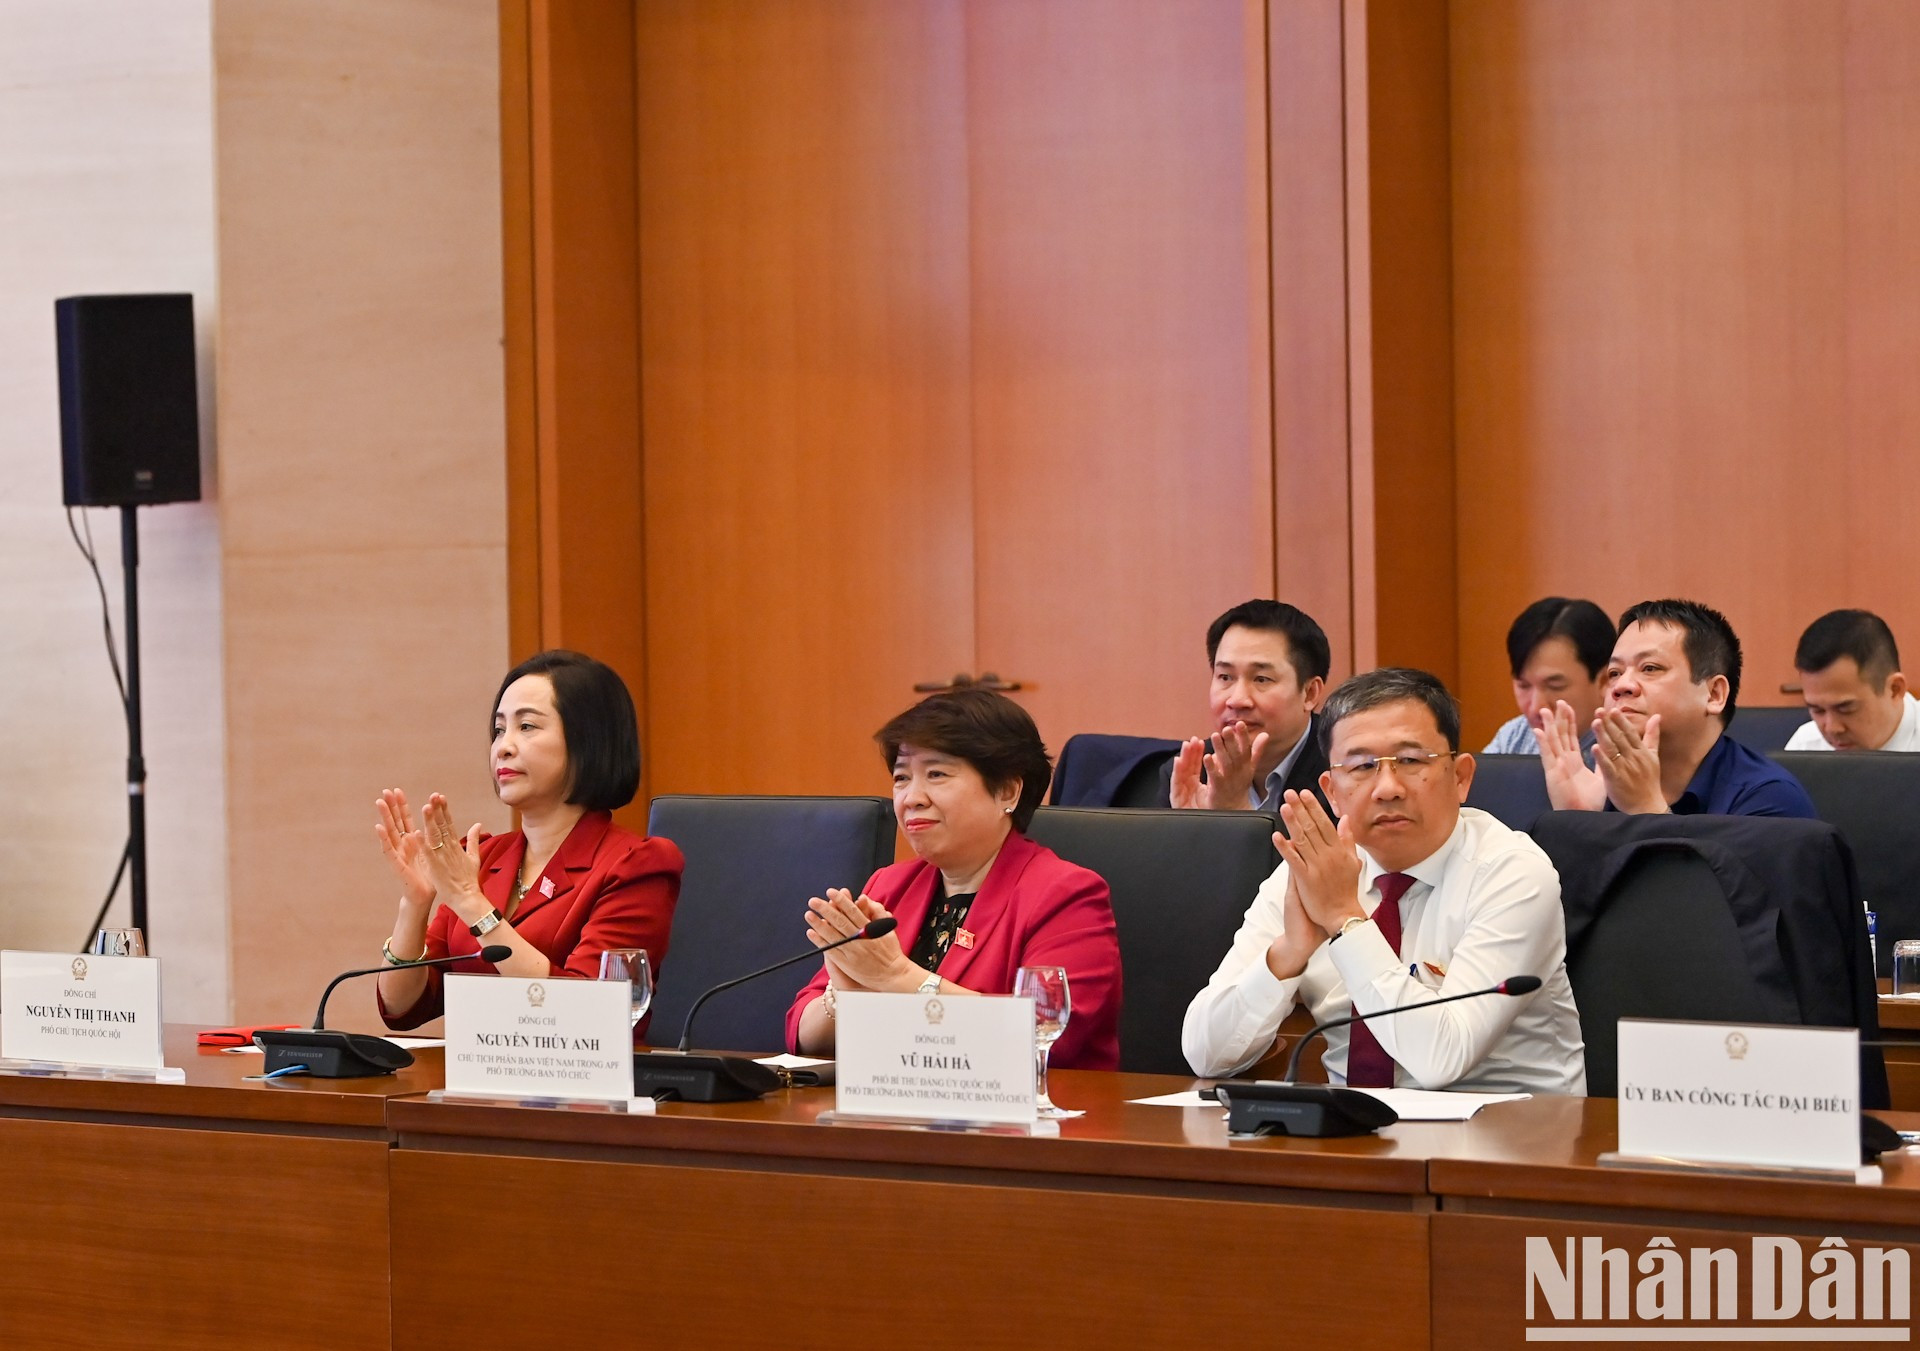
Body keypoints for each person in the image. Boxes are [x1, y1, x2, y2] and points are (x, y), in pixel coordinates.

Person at [1182, 668, 1583, 1091]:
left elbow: (1441, 1057)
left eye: (1411, 761)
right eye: (1362, 766)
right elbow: (1206, 1053)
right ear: (1332, 791)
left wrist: (1345, 920)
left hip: (1510, 1140)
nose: (1387, 788)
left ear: (1461, 777)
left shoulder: (1512, 871)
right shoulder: (1312, 870)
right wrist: (1287, 954)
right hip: (1350, 1139)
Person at [786, 689, 1121, 1069]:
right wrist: (847, 1000)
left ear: (1008, 790)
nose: (911, 797)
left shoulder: (1065, 895)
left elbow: (1044, 1038)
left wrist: (896, 977)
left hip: (1032, 1120)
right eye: (901, 778)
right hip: (898, 1111)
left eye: (936, 774)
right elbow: (801, 1033)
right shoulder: (890, 887)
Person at [375, 650, 682, 1031]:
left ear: (588, 740)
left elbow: (589, 1018)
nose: (503, 746)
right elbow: (403, 1007)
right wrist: (415, 903)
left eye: (527, 727)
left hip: (584, 1086)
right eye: (500, 729)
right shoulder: (484, 858)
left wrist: (472, 904)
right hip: (478, 1083)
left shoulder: (637, 864)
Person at [1537, 599, 1816, 817]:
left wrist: (1648, 812)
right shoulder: (1599, 790)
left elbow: (1709, 891)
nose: (1623, 685)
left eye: (1650, 668)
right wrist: (1579, 821)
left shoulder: (1768, 799)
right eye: (1615, 672)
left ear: (1714, 694)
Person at [1161, 599, 1331, 811]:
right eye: (1225, 677)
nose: (1237, 700)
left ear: (1309, 694)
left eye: (1261, 679)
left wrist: (1234, 812)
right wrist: (1194, 831)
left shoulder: (1344, 770)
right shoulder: (1191, 773)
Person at [1482, 597, 1611, 759]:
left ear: (1605, 681)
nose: (1536, 708)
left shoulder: (1630, 751)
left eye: (1555, 686)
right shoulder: (1513, 738)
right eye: (1524, 685)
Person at [1785, 609, 1920, 752]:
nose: (1832, 728)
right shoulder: (1805, 746)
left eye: (1845, 709)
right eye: (1817, 710)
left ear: (1894, 689)